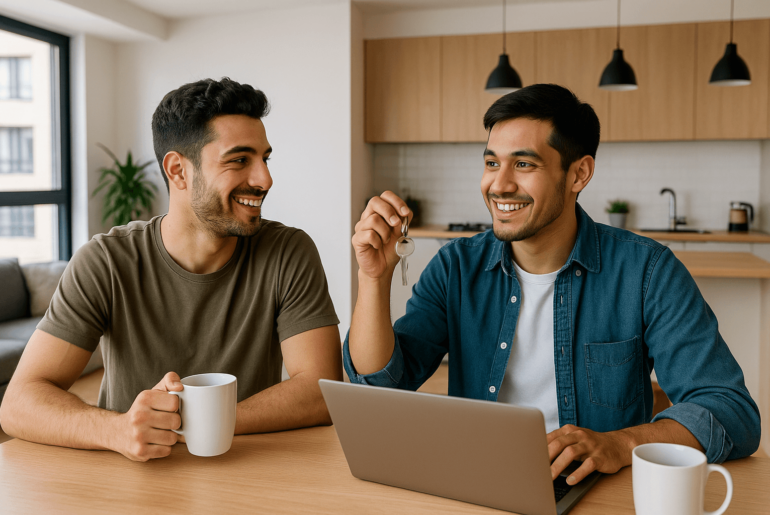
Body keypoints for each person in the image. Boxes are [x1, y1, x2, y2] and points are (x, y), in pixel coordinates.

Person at [345, 84, 760, 486]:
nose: (500, 185)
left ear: (579, 173)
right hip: (475, 482)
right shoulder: (456, 267)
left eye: (523, 164)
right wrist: (373, 278)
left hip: (591, 489)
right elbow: (380, 388)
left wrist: (620, 443)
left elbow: (730, 411)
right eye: (492, 163)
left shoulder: (647, 271)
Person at [0, 78, 342, 461]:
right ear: (178, 170)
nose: (265, 179)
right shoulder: (106, 261)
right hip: (131, 477)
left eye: (265, 158)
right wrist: (116, 429)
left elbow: (321, 391)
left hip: (247, 468)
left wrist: (199, 420)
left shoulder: (288, 252)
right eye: (240, 160)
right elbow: (18, 403)